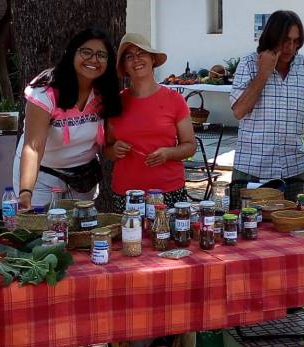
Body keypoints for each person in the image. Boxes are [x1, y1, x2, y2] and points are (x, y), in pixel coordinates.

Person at [230, 10, 304, 206]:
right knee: (246, 229)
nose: (291, 47)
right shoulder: (248, 64)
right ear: (272, 37)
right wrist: (263, 73)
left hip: (292, 167)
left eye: (296, 41)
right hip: (252, 167)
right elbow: (238, 111)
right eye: (285, 40)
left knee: (293, 228)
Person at [15, 29, 122, 210]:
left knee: (79, 233)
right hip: (41, 175)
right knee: (40, 233)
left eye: (101, 55)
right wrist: (26, 191)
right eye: (86, 52)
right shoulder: (45, 92)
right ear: (72, 53)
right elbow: (34, 147)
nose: (94, 59)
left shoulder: (105, 93)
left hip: (83, 178)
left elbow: (108, 143)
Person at [103, 33, 196, 211]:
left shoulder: (174, 99)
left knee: (168, 239)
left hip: (168, 190)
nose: (136, 59)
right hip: (127, 193)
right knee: (130, 239)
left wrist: (168, 153)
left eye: (141, 53)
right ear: (124, 66)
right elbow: (106, 149)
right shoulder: (116, 103)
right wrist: (114, 150)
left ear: (152, 59)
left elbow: (190, 146)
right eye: (129, 56)